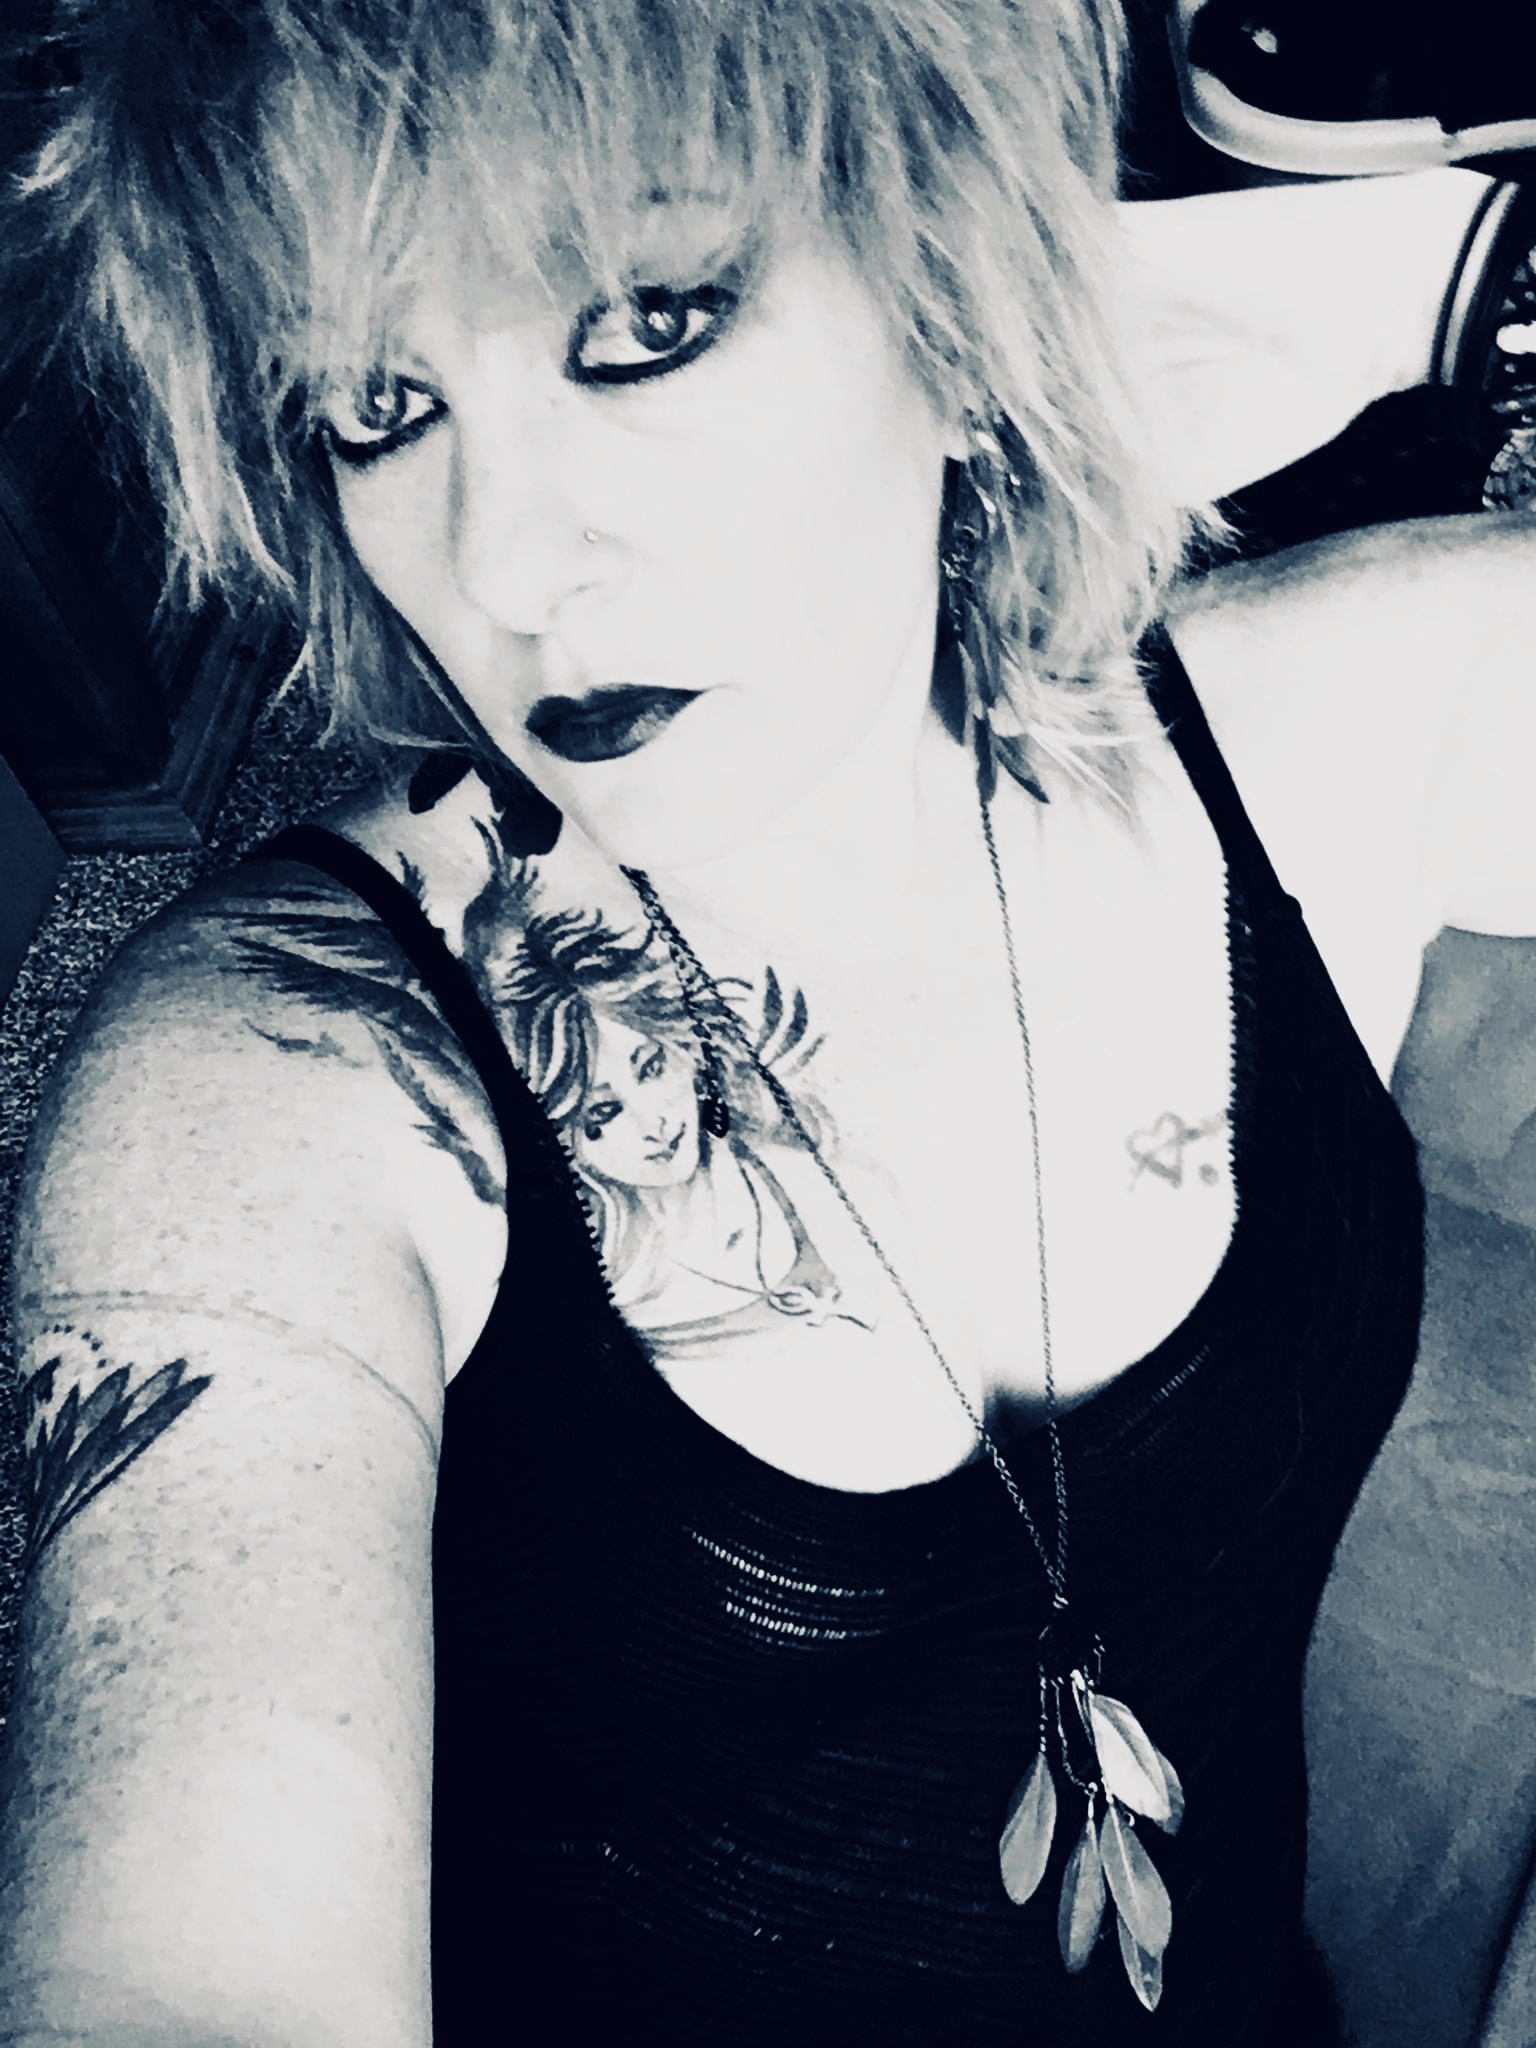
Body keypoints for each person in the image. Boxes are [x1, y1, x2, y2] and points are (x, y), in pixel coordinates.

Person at [0, 2, 1530, 2043]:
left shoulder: (1345, 728)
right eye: (375, 402)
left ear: (957, 289)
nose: (506, 561)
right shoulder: (281, 1078)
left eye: (647, 326)